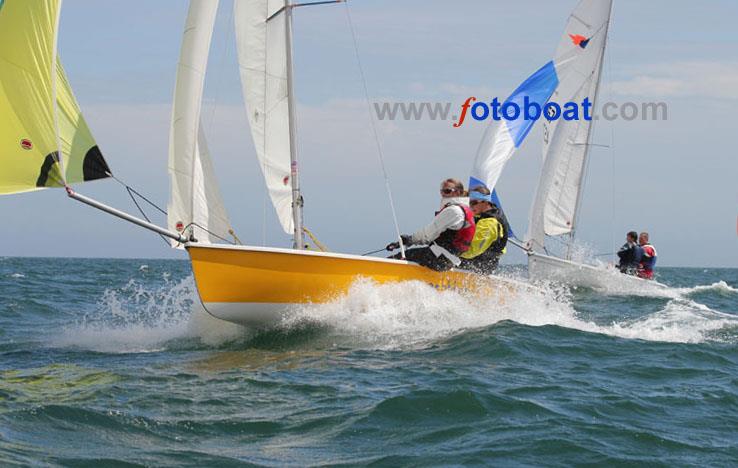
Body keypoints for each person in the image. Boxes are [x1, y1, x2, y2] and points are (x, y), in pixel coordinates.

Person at [386, 179, 475, 271]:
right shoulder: (465, 210)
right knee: (416, 255)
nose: (443, 194)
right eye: (442, 191)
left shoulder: (453, 211)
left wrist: (409, 240)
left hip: (438, 257)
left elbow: (427, 235)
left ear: (458, 192)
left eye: (447, 191)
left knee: (399, 257)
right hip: (447, 260)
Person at [458, 187, 509, 274]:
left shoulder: (489, 223)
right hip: (473, 260)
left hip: (480, 266)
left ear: (485, 202)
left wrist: (452, 253)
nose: (470, 206)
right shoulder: (480, 216)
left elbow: (473, 251)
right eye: (468, 203)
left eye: (473, 203)